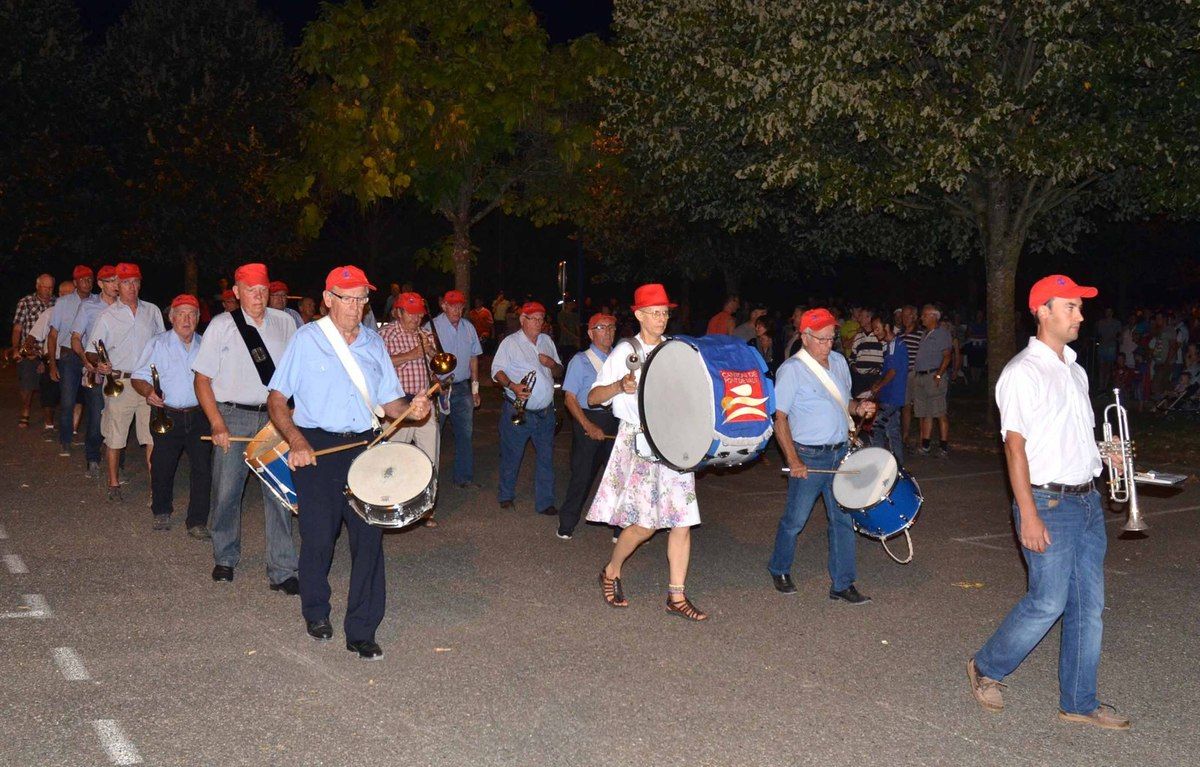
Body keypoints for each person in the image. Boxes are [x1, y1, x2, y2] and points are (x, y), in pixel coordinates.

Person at [966, 274, 1130, 730]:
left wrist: (1105, 453)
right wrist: (1029, 514)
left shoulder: (1075, 370)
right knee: (1047, 602)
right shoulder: (1022, 372)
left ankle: (1078, 702)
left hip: (1087, 501)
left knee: (1089, 605)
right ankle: (986, 667)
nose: (1080, 316)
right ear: (1044, 311)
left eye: (1081, 308)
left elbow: (1068, 436)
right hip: (1048, 501)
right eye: (1072, 307)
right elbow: (1014, 447)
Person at [267, 265, 431, 660]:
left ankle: (361, 629)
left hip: (364, 445)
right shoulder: (307, 340)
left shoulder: (374, 344)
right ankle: (316, 611)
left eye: (362, 298)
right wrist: (297, 440)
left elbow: (390, 403)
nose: (356, 306)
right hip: (316, 447)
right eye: (348, 298)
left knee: (369, 539)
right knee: (320, 537)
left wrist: (413, 408)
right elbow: (276, 398)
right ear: (328, 299)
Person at [586, 284, 708, 621]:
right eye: (655, 312)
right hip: (639, 443)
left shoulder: (676, 349)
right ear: (639, 314)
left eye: (665, 312)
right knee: (645, 525)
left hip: (675, 441)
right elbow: (593, 397)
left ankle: (676, 596)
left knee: (683, 521)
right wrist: (619, 386)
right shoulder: (625, 350)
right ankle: (611, 571)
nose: (661, 318)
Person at [193, 262, 299, 592]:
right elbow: (202, 380)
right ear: (237, 293)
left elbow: (297, 373)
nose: (258, 296)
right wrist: (217, 422)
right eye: (251, 290)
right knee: (227, 491)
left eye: (264, 290)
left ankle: (282, 569)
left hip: (273, 417)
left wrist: (295, 413)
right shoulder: (221, 327)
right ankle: (224, 557)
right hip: (232, 415)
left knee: (280, 494)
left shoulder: (286, 323)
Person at [768, 307, 877, 604]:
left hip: (840, 453)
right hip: (809, 456)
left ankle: (843, 583)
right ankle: (779, 568)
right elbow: (779, 418)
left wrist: (859, 409)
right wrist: (794, 461)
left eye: (832, 338)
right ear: (805, 337)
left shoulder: (840, 362)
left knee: (843, 521)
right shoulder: (792, 370)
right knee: (795, 520)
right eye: (822, 339)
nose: (829, 344)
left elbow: (846, 403)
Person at [130, 294, 210, 536]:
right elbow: (138, 376)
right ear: (171, 317)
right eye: (181, 314)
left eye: (192, 314)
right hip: (168, 414)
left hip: (199, 416)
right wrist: (148, 391)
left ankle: (197, 521)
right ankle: (161, 511)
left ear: (198, 318)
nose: (186, 319)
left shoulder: (206, 344)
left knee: (203, 469)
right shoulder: (157, 343)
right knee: (162, 465)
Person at [85, 263, 163, 501]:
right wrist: (99, 363)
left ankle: (155, 488)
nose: (132, 287)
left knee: (152, 437)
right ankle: (113, 483)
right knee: (115, 436)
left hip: (147, 382)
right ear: (117, 285)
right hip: (120, 382)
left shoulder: (152, 311)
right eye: (127, 282)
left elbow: (163, 344)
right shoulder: (107, 315)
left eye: (136, 282)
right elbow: (90, 350)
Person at [491, 301, 562, 514]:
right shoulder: (510, 343)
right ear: (523, 320)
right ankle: (506, 495)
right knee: (512, 456)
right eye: (534, 318)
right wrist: (512, 385)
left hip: (545, 412)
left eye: (542, 318)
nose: (539, 322)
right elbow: (497, 371)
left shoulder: (547, 341)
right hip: (518, 409)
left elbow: (559, 371)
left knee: (546, 458)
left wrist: (552, 364)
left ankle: (545, 502)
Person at [380, 291, 441, 527]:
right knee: (396, 458)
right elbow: (380, 363)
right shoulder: (385, 334)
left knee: (429, 457)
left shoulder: (425, 334)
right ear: (399, 311)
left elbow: (435, 363)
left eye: (420, 315)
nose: (417, 319)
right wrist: (413, 354)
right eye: (413, 314)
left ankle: (426, 508)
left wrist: (432, 353)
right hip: (398, 404)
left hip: (424, 401)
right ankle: (395, 505)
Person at [557, 312, 619, 539]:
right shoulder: (580, 361)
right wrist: (587, 425)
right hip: (589, 418)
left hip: (615, 419)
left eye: (612, 327)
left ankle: (618, 526)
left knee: (616, 476)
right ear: (590, 333)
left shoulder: (619, 359)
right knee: (582, 475)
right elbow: (570, 399)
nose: (608, 332)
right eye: (602, 328)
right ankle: (567, 523)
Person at [71, 265, 120, 478]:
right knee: (97, 414)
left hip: (119, 370)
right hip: (95, 369)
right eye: (110, 281)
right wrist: (86, 360)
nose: (116, 285)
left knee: (118, 416)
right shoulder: (88, 306)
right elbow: (75, 337)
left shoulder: (125, 306)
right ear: (100, 283)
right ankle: (92, 456)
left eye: (118, 280)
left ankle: (118, 462)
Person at [432, 290, 483, 489]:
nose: (456, 309)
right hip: (439, 389)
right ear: (443, 306)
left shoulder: (468, 327)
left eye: (459, 306)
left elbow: (474, 358)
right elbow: (425, 361)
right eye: (451, 305)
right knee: (433, 436)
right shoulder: (432, 326)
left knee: (465, 434)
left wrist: (475, 388)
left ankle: (463, 477)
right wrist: (435, 382)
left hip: (462, 387)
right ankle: (429, 482)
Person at [46, 266, 95, 457]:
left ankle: (93, 441)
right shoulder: (63, 302)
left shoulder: (98, 302)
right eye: (82, 279)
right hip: (69, 356)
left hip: (91, 356)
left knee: (93, 400)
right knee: (67, 400)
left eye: (90, 279)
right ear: (75, 282)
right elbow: (52, 335)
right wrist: (52, 363)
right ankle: (65, 439)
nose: (87, 282)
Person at [9, 273, 57, 429]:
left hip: (49, 351)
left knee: (49, 385)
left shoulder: (57, 303)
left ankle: (49, 418)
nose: (48, 290)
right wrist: (16, 349)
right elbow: (17, 328)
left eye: (51, 287)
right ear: (37, 286)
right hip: (30, 351)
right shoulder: (26, 302)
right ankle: (25, 410)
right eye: (45, 287)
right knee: (27, 383)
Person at [912, 304, 952, 457]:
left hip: (933, 376)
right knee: (926, 413)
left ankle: (943, 447)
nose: (921, 317)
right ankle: (926, 445)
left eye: (924, 315)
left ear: (933, 316)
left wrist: (939, 375)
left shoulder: (942, 333)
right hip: (921, 376)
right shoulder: (925, 333)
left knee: (939, 412)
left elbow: (947, 355)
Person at [868, 315, 908, 466]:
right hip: (890, 397)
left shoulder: (895, 345)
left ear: (887, 327)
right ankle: (898, 466)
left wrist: (879, 385)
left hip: (892, 398)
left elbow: (892, 371)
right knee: (893, 432)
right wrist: (878, 384)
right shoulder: (890, 345)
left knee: (875, 428)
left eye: (877, 328)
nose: (875, 332)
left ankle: (879, 463)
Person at [897, 305, 924, 445]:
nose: (905, 318)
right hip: (903, 374)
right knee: (906, 406)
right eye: (903, 316)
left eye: (908, 315)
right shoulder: (900, 335)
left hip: (915, 373)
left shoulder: (920, 334)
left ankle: (922, 438)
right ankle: (905, 436)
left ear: (914, 316)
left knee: (919, 407)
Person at [848, 307, 884, 397]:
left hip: (875, 378)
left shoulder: (879, 336)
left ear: (869, 318)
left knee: (873, 406)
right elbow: (852, 357)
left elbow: (887, 357)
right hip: (860, 378)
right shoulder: (858, 337)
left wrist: (879, 370)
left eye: (861, 316)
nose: (859, 319)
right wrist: (853, 366)